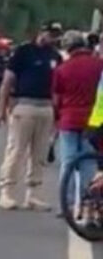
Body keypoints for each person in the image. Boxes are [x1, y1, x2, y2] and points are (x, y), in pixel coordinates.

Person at [0, 21, 63, 211]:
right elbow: (8, 81)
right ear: (41, 31)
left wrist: (57, 113)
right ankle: (6, 191)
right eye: (50, 33)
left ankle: (33, 194)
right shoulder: (24, 52)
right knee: (16, 150)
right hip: (24, 105)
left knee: (39, 153)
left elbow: (58, 87)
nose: (52, 38)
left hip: (46, 107)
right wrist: (1, 108)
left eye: (55, 35)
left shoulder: (55, 56)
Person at [52, 30, 103, 219]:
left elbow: (56, 99)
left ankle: (68, 203)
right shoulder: (99, 65)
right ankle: (89, 203)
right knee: (89, 163)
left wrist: (56, 120)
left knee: (68, 163)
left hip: (69, 120)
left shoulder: (63, 69)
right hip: (93, 122)